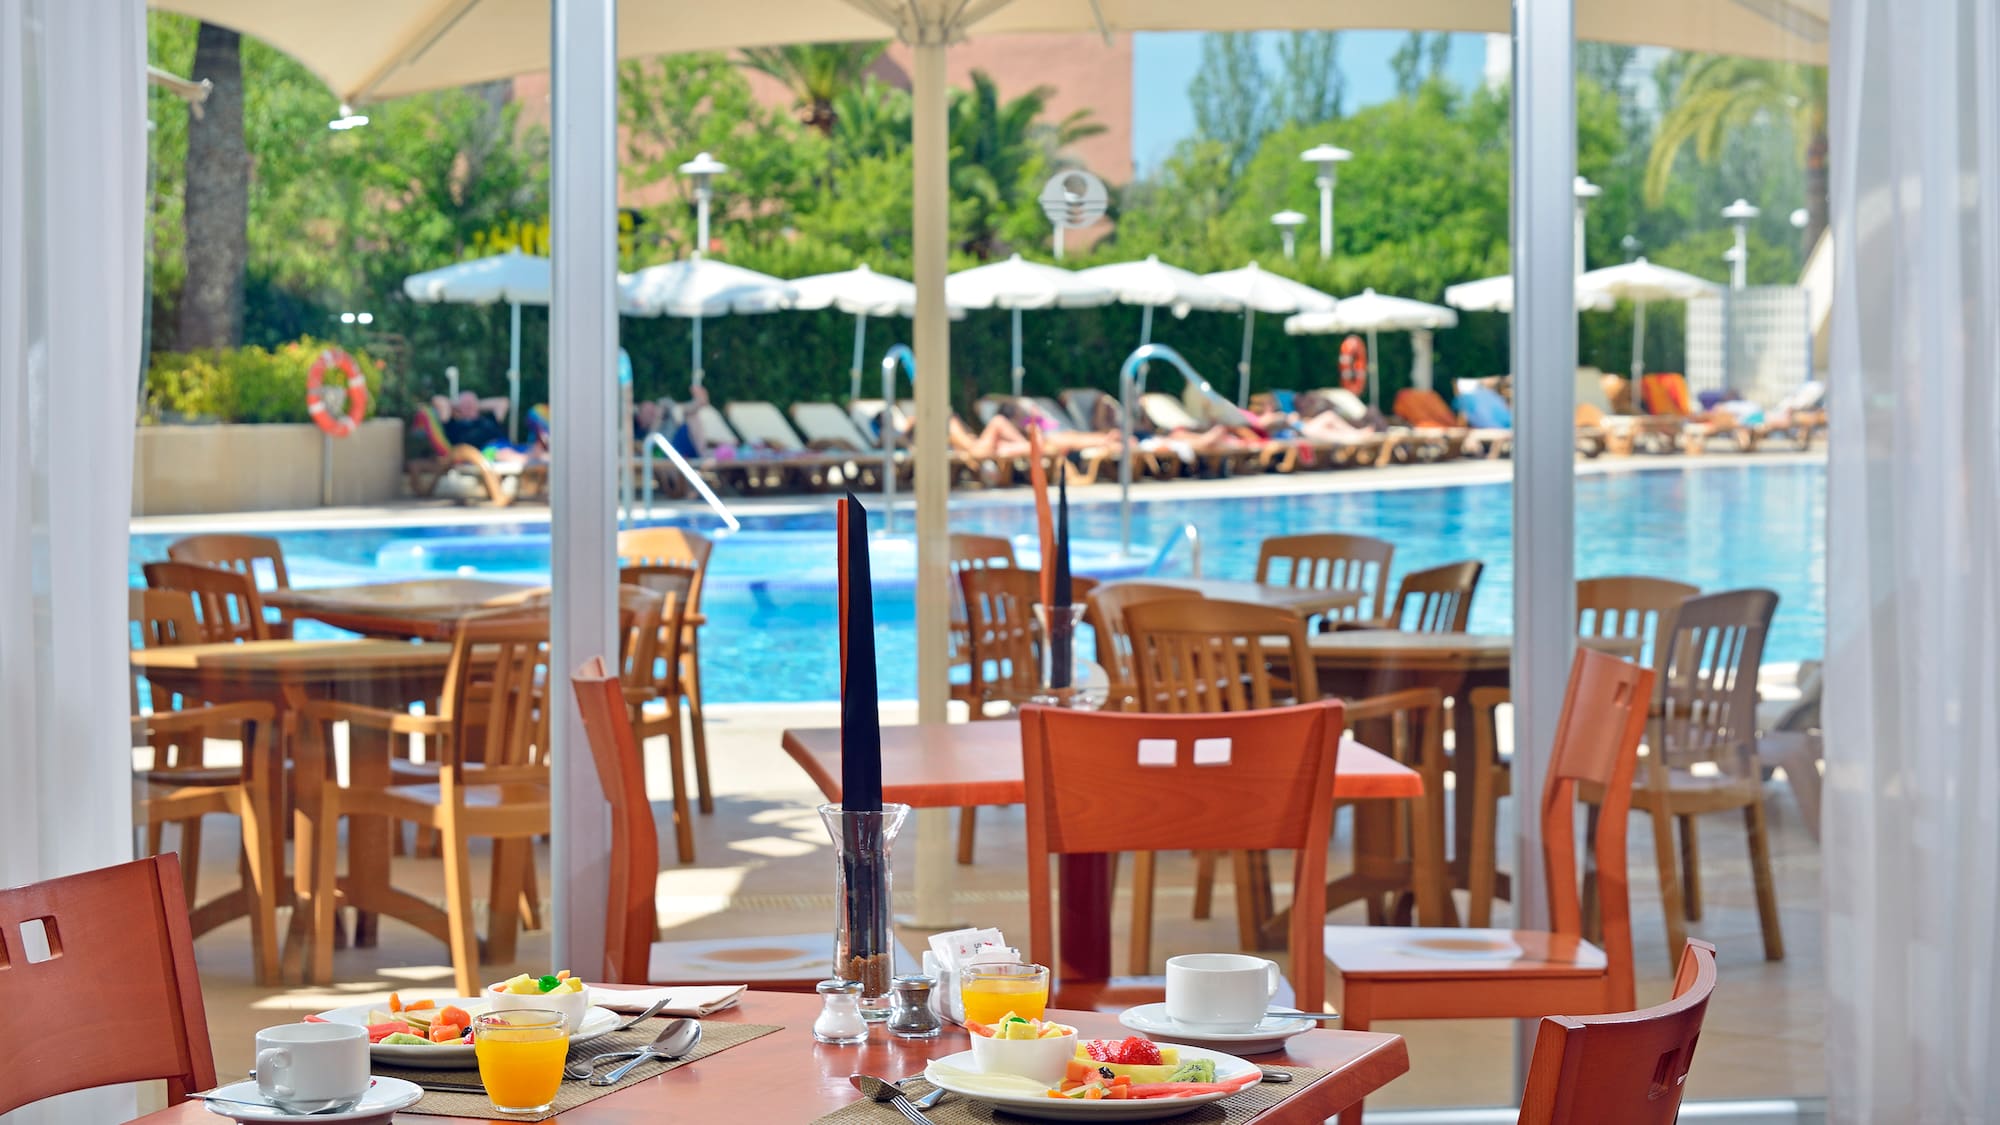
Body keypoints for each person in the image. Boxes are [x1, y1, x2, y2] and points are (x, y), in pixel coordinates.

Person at [431, 391, 541, 462]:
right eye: (465, 404)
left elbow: (503, 402)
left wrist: (475, 404)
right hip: (481, 453)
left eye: (471, 403)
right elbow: (437, 400)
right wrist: (459, 406)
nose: (469, 406)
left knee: (538, 449)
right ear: (458, 406)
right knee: (503, 453)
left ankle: (533, 460)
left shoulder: (489, 418)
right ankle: (526, 460)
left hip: (506, 445)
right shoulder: (453, 423)